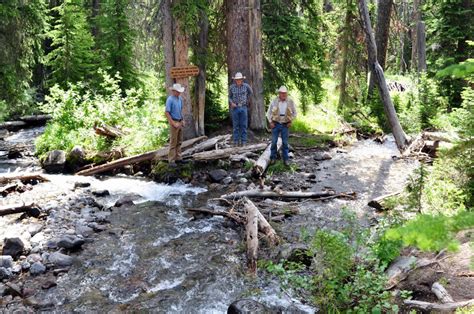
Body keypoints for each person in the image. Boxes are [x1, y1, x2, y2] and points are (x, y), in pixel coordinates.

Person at [266, 86, 297, 166]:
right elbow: (268, 113)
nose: (284, 94)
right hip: (275, 123)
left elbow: (295, 113)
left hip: (285, 124)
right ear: (279, 93)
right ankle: (273, 158)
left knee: (285, 143)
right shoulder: (274, 101)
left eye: (285, 93)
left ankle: (286, 159)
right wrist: (270, 122)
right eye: (282, 93)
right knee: (274, 142)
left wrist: (291, 121)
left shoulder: (290, 101)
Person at [228, 72, 253, 146]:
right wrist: (231, 103)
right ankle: (235, 141)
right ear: (235, 80)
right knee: (236, 125)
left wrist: (247, 100)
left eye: (240, 79)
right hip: (235, 108)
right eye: (237, 79)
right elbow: (229, 96)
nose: (238, 81)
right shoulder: (232, 87)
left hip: (244, 107)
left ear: (242, 79)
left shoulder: (246, 86)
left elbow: (251, 93)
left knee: (244, 125)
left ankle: (244, 141)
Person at [165, 83, 186, 165]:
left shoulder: (180, 99)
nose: (179, 93)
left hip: (180, 121)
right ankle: (171, 160)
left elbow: (180, 110)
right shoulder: (170, 99)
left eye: (179, 91)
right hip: (174, 121)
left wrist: (182, 120)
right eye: (177, 91)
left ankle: (178, 158)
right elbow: (167, 113)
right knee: (173, 142)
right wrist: (173, 123)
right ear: (173, 91)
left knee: (179, 141)